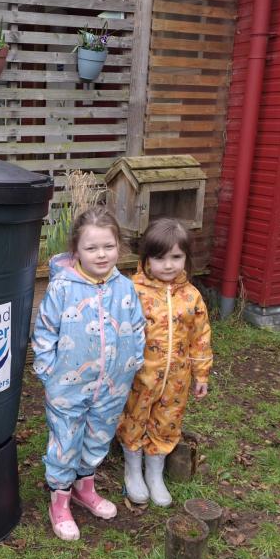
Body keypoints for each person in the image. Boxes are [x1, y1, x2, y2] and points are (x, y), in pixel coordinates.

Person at [32, 206, 146, 541]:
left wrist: (133, 362)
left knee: (97, 439)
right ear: (76, 250)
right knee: (66, 442)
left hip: (112, 386)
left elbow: (138, 327)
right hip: (67, 385)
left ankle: (85, 489)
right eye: (91, 248)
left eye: (108, 247)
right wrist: (47, 371)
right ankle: (60, 501)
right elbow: (45, 331)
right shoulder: (63, 288)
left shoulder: (125, 288)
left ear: (119, 247)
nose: (101, 254)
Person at [116, 218, 212, 507]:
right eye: (160, 257)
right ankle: (133, 469)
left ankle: (155, 473)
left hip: (176, 378)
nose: (168, 265)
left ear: (186, 258)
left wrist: (202, 374)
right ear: (146, 258)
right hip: (139, 375)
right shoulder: (132, 290)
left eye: (176, 257)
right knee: (134, 417)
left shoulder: (192, 296)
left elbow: (200, 336)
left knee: (168, 420)